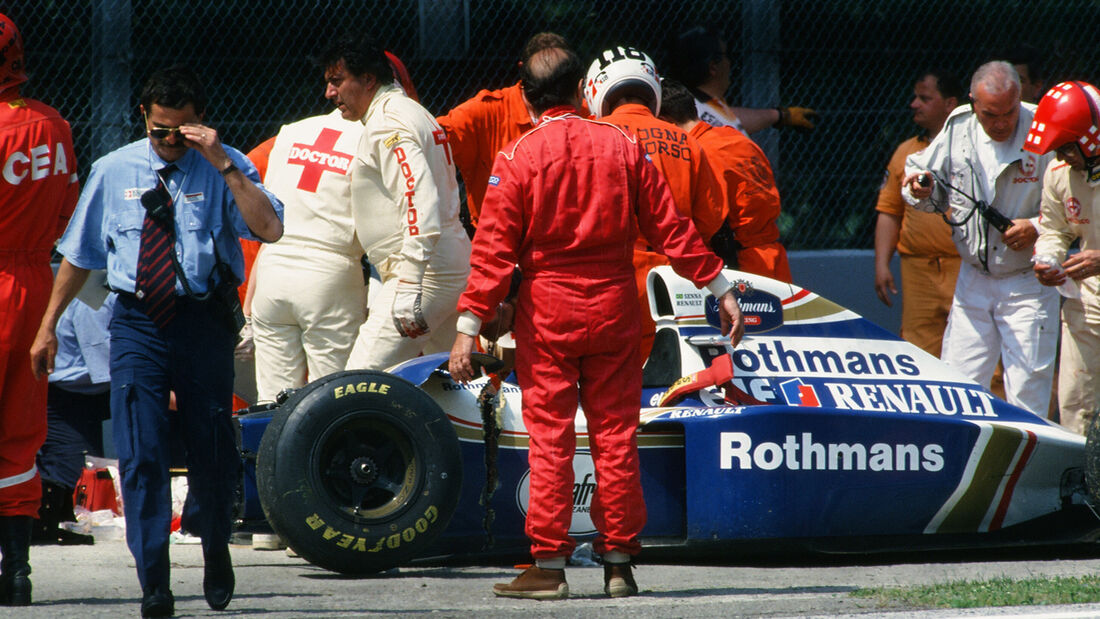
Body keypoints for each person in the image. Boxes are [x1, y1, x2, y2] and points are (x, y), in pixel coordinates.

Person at [448, 46, 744, 601]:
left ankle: (549, 566)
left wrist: (468, 327)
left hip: (549, 314)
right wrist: (721, 288)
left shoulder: (517, 156)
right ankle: (618, 564)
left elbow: (492, 252)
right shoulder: (624, 146)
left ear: (528, 98)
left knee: (551, 440)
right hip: (614, 308)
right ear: (582, 90)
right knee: (615, 436)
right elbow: (673, 231)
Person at [29, 65, 284, 617]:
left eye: (182, 131)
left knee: (212, 445)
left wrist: (224, 166)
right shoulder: (113, 169)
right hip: (138, 322)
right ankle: (155, 581)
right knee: (140, 451)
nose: (170, 142)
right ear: (144, 117)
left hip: (202, 322)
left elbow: (269, 229)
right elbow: (79, 255)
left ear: (201, 124)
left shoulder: (226, 165)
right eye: (159, 130)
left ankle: (216, 546)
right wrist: (48, 325)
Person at [902, 61, 1058, 416]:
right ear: (973, 103)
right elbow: (920, 175)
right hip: (973, 276)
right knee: (957, 386)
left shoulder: (1045, 128)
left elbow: (1074, 204)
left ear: (1021, 97)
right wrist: (918, 188)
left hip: (1028, 279)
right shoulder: (958, 127)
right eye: (990, 114)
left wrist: (1035, 225)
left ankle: (1028, 467)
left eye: (1009, 112)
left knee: (1027, 392)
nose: (1001, 123)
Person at [321, 34, 471, 371]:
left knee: (356, 385)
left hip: (426, 271)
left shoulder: (387, 121)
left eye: (336, 81)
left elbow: (421, 198)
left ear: (369, 79)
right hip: (443, 265)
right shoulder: (409, 111)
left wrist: (409, 281)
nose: (329, 93)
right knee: (451, 386)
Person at [0, 13, 79, 607]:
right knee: (21, 429)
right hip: (36, 278)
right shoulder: (54, 124)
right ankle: (18, 572)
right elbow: (64, 213)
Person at [584, 46, 727, 361]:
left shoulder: (591, 138)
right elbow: (711, 218)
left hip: (609, 282)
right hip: (676, 281)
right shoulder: (687, 142)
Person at [247, 110, 367, 402]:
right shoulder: (372, 137)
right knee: (333, 398)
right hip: (331, 270)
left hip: (273, 266)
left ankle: (270, 448)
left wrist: (249, 310)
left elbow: (269, 211)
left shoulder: (292, 130)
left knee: (272, 401)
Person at [659, 78, 792, 282]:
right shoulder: (738, 139)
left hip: (741, 268)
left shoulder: (698, 154)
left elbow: (711, 222)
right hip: (774, 259)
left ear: (666, 122)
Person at [1025, 81, 1100, 434]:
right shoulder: (1058, 175)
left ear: (1091, 138)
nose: (1059, 157)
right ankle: (1086, 486)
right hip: (1086, 301)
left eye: (1066, 147)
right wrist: (1046, 260)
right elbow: (1054, 228)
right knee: (1076, 403)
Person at [873, 70, 963, 357]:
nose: (914, 104)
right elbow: (889, 211)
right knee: (918, 352)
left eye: (924, 98)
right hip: (918, 270)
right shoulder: (906, 151)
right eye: (915, 97)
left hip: (964, 268)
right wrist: (882, 264)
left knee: (981, 353)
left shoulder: (970, 149)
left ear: (950, 104)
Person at [437, 32, 569, 228]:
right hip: (497, 236)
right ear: (523, 70)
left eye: (558, 74)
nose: (550, 81)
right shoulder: (485, 112)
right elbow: (431, 136)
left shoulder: (581, 112)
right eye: (543, 72)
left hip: (563, 235)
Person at [35, 292, 115, 545]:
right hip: (66, 396)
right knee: (78, 481)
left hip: (98, 390)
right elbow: (113, 368)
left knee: (98, 480)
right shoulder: (94, 300)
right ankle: (43, 524)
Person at [666, 25, 817, 135]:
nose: (730, 63)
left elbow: (732, 119)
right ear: (713, 67)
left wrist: (780, 115)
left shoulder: (698, 107)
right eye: (726, 55)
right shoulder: (694, 113)